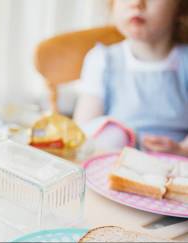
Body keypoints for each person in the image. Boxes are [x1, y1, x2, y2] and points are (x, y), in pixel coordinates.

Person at [74, 0, 188, 154]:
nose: (136, 3)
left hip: (179, 167)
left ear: (180, 7)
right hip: (115, 163)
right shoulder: (102, 60)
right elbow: (84, 131)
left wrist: (181, 149)